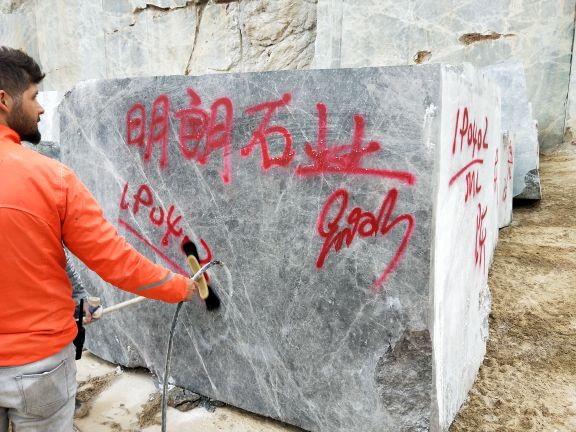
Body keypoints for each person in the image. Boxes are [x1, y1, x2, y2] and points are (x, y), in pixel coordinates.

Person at [0, 46, 198, 432]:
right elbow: (116, 262)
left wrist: (74, 298)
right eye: (34, 97)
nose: (41, 109)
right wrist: (179, 287)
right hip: (37, 366)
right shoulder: (51, 178)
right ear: (4, 100)